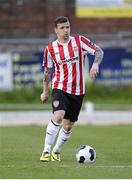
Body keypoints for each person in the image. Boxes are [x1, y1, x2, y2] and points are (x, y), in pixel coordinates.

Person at [40, 16, 104, 162]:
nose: (66, 30)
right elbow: (47, 72)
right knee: (58, 116)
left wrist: (96, 64)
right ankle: (46, 151)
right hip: (60, 87)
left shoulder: (80, 41)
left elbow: (99, 51)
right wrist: (45, 91)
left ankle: (56, 151)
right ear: (56, 30)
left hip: (78, 91)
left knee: (68, 125)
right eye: (62, 28)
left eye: (67, 27)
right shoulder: (50, 49)